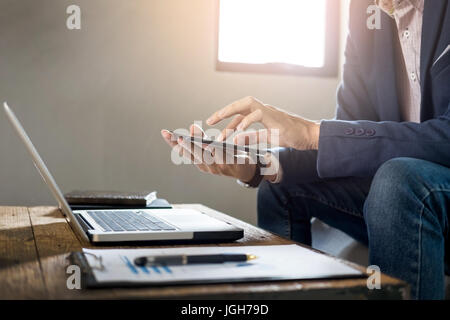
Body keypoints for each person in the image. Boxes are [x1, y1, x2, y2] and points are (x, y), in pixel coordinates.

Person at [162, 0, 450, 299]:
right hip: (400, 199)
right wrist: (258, 167)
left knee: (397, 179)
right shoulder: (365, 13)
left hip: (422, 193)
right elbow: (351, 148)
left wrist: (312, 132)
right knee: (279, 184)